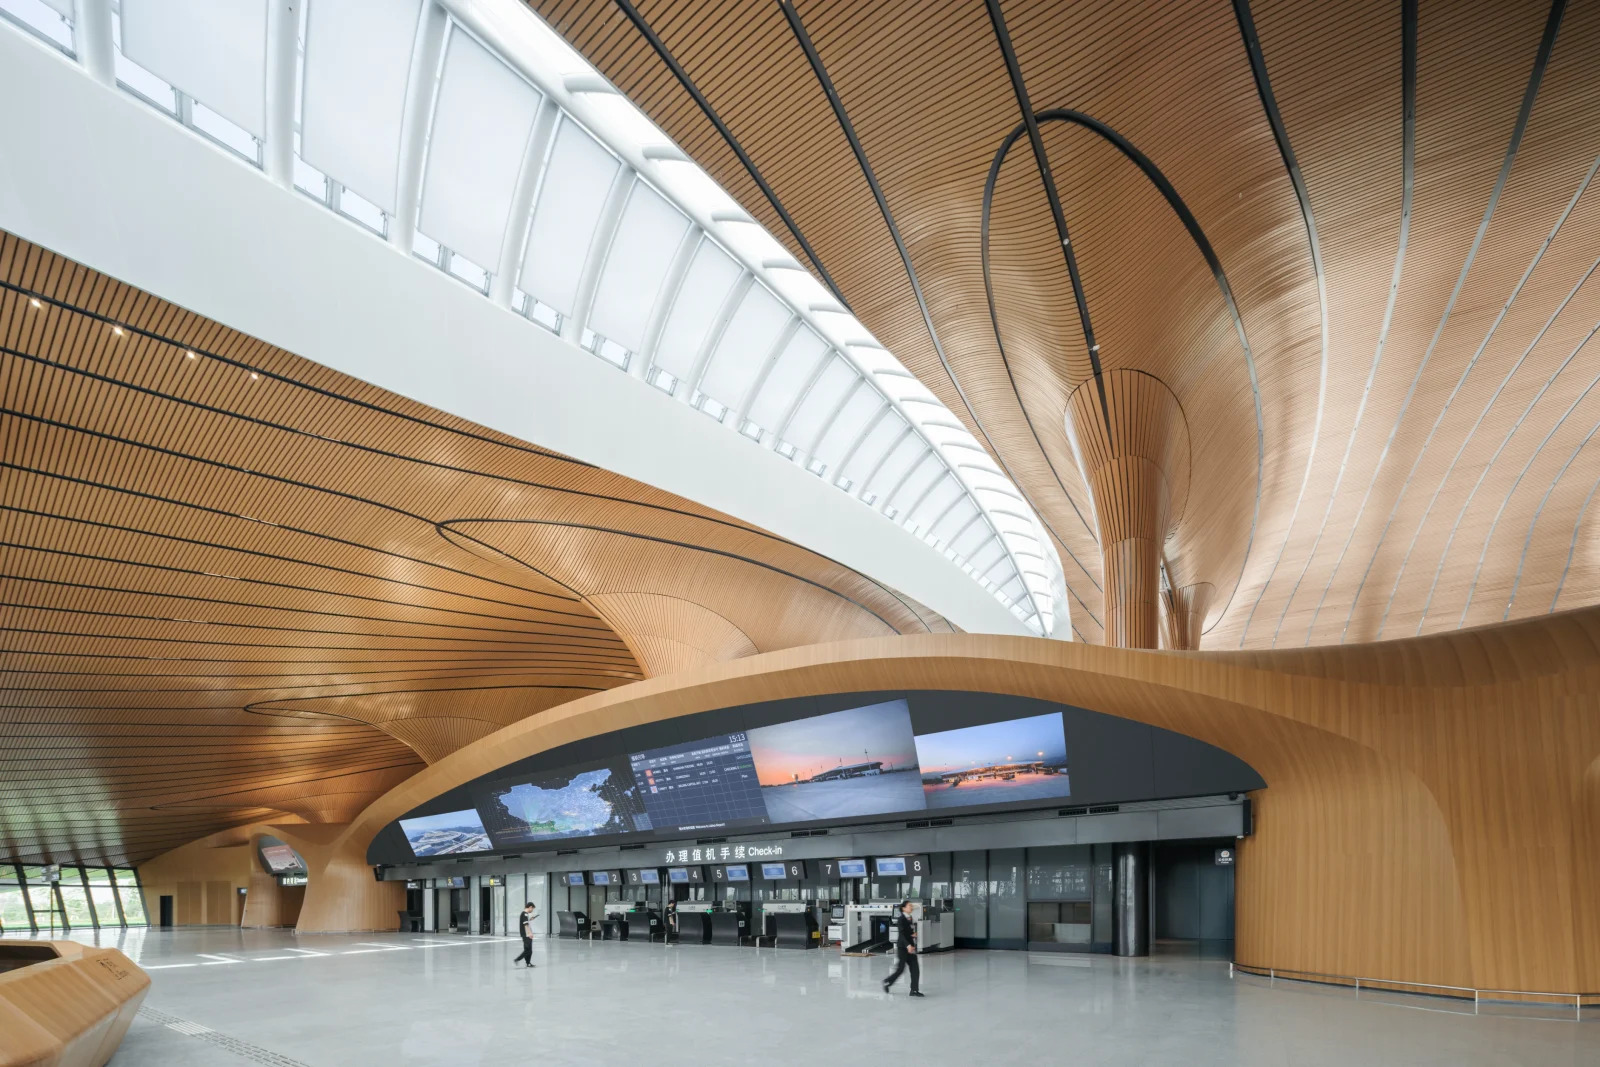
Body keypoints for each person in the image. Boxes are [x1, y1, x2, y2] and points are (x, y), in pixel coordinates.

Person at [881, 900, 923, 997]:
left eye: (911, 905)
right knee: (900, 969)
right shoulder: (901, 919)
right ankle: (887, 982)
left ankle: (914, 990)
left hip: (910, 948)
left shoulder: (909, 918)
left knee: (915, 969)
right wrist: (908, 945)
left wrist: (912, 934)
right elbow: (902, 934)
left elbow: (908, 932)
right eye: (909, 906)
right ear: (904, 908)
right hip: (903, 948)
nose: (911, 907)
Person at [513, 902, 537, 968]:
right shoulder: (525, 914)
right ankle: (517, 960)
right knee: (528, 950)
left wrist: (530, 919)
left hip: (526, 934)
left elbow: (526, 922)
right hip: (526, 934)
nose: (532, 910)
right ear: (530, 907)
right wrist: (530, 933)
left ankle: (528, 963)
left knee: (529, 950)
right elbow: (526, 925)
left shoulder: (524, 914)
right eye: (532, 909)